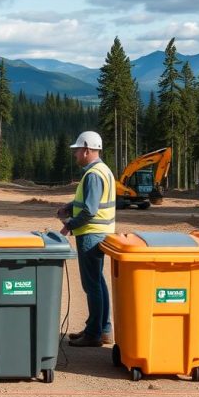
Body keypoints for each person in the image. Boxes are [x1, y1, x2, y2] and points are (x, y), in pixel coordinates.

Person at [57, 131, 116, 347]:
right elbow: (91, 203)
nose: (75, 155)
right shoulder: (103, 171)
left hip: (91, 235)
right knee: (98, 282)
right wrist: (69, 206)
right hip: (100, 233)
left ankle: (94, 334)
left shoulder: (93, 175)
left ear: (87, 150)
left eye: (77, 151)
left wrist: (68, 226)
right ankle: (103, 328)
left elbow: (90, 210)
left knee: (92, 285)